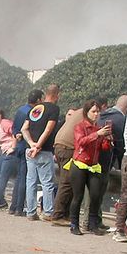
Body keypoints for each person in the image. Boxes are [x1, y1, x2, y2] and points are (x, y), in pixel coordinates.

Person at [67, 99, 111, 235]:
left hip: (93, 165)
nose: (96, 114)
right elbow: (81, 142)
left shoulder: (99, 128)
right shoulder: (80, 127)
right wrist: (97, 135)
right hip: (79, 164)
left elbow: (102, 147)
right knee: (78, 196)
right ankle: (74, 224)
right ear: (87, 113)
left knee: (95, 195)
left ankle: (93, 224)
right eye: (93, 111)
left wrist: (107, 139)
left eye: (98, 111)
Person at [22, 85, 61, 220]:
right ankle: (48, 212)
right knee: (47, 183)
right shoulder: (54, 109)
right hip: (43, 151)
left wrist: (31, 144)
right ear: (57, 95)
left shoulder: (35, 108)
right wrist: (38, 145)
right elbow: (48, 129)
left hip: (29, 150)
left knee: (31, 181)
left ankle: (31, 212)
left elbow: (24, 129)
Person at [48, 101, 83, 225]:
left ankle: (65, 214)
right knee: (66, 182)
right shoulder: (86, 116)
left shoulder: (78, 115)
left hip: (60, 147)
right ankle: (57, 215)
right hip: (68, 148)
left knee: (68, 182)